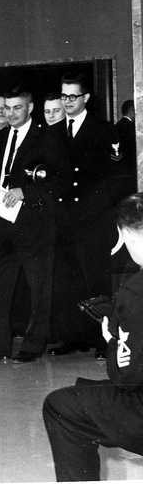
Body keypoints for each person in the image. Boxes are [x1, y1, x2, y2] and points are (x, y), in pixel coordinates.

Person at [43, 193, 143, 482]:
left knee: (62, 406)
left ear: (125, 235)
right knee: (87, 391)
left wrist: (113, 339)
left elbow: (125, 377)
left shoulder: (135, 290)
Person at [0, 88, 71, 362]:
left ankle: (32, 346)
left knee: (38, 288)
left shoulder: (48, 138)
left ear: (30, 108)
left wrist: (25, 192)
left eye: (17, 107)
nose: (11, 113)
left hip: (33, 223)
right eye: (6, 108)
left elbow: (61, 180)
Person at [50, 73, 120, 358]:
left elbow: (115, 179)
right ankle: (73, 338)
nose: (67, 102)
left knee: (97, 283)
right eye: (63, 96)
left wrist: (90, 211)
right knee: (68, 282)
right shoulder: (53, 132)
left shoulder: (104, 131)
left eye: (72, 97)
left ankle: (104, 342)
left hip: (94, 221)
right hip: (64, 221)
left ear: (86, 98)